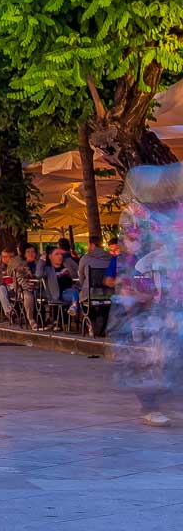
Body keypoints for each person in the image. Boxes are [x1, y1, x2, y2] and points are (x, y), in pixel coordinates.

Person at [107, 163, 183, 426]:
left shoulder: (176, 211)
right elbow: (133, 257)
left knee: (173, 349)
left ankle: (168, 401)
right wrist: (144, 293)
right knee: (148, 350)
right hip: (148, 293)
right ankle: (149, 404)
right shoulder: (136, 214)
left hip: (174, 292)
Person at [38, 245, 80, 317]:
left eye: (61, 254)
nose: (60, 256)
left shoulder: (66, 265)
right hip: (60, 294)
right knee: (75, 293)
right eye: (57, 254)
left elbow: (78, 272)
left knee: (83, 296)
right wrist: (41, 261)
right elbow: (39, 274)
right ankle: (74, 307)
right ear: (50, 256)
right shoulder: (48, 269)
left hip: (72, 289)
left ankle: (87, 321)